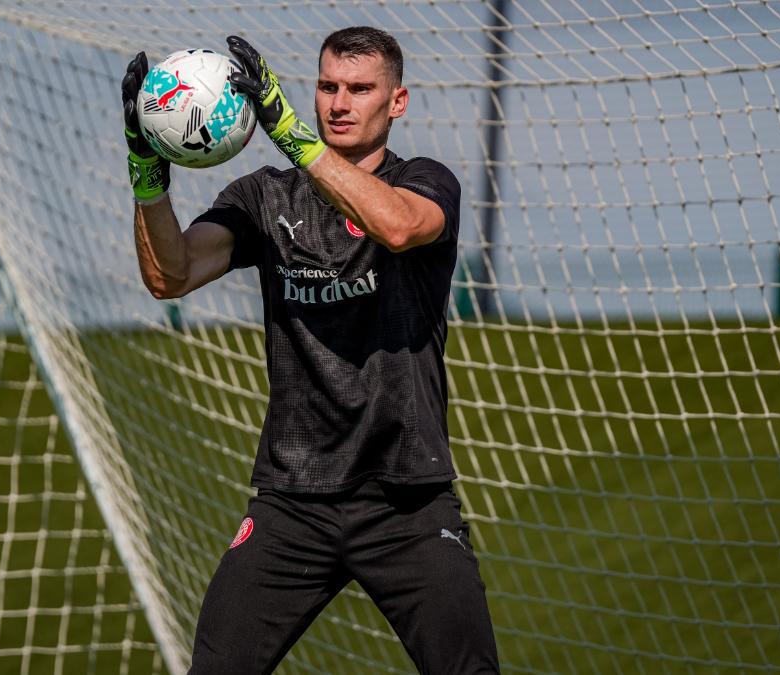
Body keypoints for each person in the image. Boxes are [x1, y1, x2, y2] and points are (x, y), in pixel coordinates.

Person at [121, 26, 500, 674]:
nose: (339, 102)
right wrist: (146, 169)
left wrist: (292, 134)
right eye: (328, 86)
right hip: (293, 500)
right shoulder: (265, 197)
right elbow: (171, 274)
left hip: (405, 497)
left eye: (359, 89)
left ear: (397, 102)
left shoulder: (427, 183)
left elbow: (399, 226)